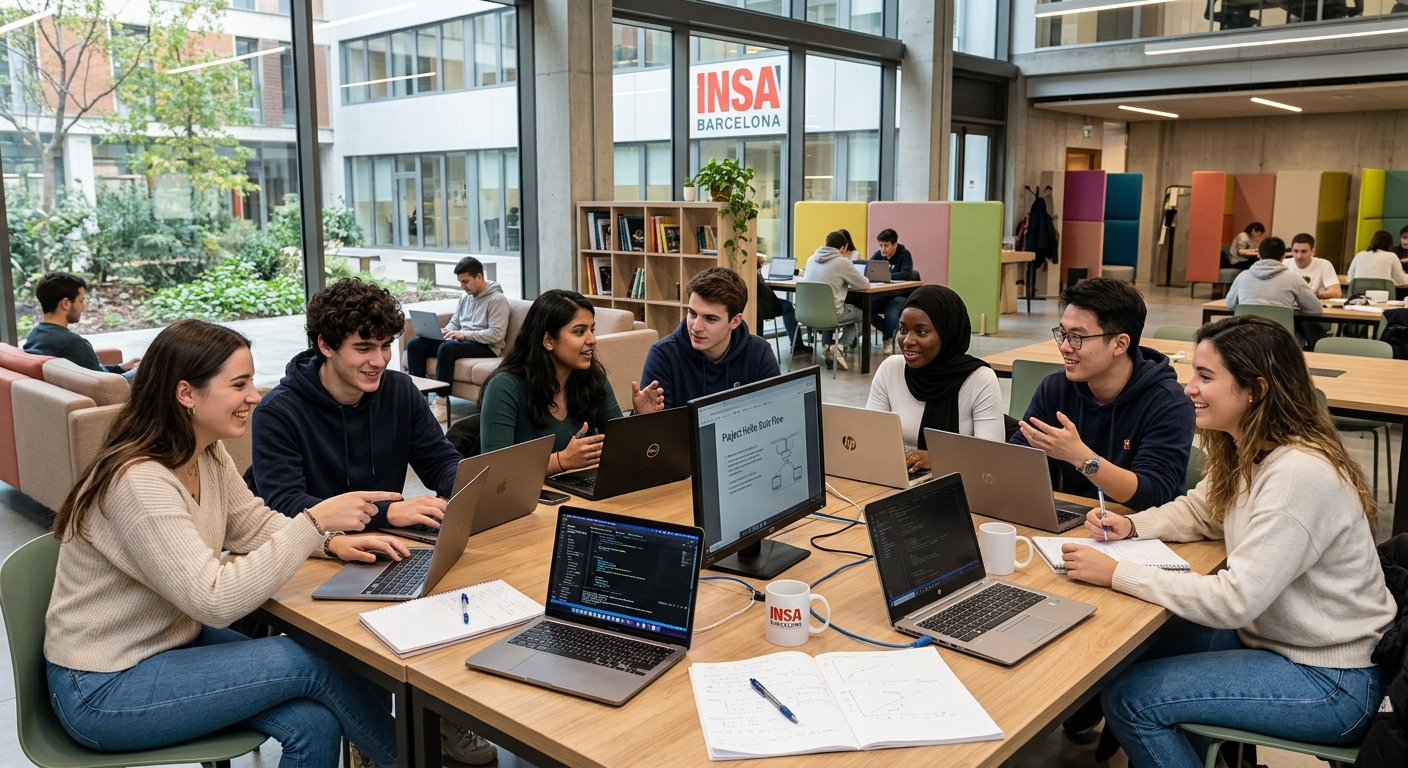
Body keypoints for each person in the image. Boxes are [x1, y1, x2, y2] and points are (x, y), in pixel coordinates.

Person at [44, 318, 411, 768]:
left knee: (314, 723)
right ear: (186, 394)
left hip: (169, 645)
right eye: (239, 384)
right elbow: (213, 601)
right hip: (102, 686)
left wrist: (330, 542)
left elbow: (251, 524)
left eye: (252, 380)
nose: (255, 396)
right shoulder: (140, 483)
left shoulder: (205, 450)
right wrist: (313, 523)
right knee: (311, 659)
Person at [1059, 315, 1394, 768]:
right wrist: (1134, 527)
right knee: (1134, 649)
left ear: (1255, 390)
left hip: (1331, 679)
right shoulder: (1252, 446)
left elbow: (1236, 600)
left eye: (1205, 376)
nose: (1188, 388)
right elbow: (1203, 510)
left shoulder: (1298, 474)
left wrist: (1120, 573)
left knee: (1131, 699)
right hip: (1281, 644)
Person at [245, 279, 497, 764]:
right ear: (324, 345)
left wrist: (471, 487)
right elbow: (283, 503)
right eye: (363, 348)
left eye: (385, 346)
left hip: (387, 549)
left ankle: (439, 715)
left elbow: (439, 462)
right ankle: (373, 733)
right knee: (367, 645)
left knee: (464, 592)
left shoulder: (400, 391)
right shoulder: (280, 411)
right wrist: (387, 512)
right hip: (310, 561)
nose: (379, 360)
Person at [1011, 277, 1194, 511]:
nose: (1065, 346)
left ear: (1120, 344)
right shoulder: (1055, 388)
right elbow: (1018, 460)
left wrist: (1083, 458)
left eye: (1077, 337)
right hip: (1077, 519)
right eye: (1063, 333)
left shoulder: (1168, 403)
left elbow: (1154, 494)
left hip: (1141, 530)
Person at [479, 290, 663, 475]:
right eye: (579, 332)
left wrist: (639, 418)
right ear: (548, 340)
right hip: (530, 501)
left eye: (592, 330)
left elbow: (620, 447)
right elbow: (495, 470)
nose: (592, 340)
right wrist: (561, 461)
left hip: (581, 494)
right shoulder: (504, 387)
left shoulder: (592, 378)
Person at [866, 286, 1003, 474]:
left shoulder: (979, 379)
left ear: (947, 333)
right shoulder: (891, 369)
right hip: (897, 479)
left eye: (921, 332)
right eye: (903, 330)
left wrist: (936, 457)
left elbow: (991, 458)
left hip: (962, 486)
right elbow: (870, 440)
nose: (907, 340)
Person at [641, 267, 779, 410]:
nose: (696, 327)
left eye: (710, 319)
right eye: (692, 314)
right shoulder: (663, 355)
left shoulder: (759, 352)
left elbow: (776, 414)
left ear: (735, 321)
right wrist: (642, 417)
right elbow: (656, 426)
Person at [404, 257, 510, 383]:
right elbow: (455, 321)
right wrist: (446, 331)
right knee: (415, 344)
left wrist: (464, 335)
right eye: (460, 282)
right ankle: (418, 395)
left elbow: (496, 334)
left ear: (479, 277)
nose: (462, 286)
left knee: (447, 348)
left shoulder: (497, 300)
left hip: (487, 346)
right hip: (464, 342)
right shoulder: (465, 298)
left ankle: (441, 398)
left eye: (465, 281)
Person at [24, 272, 140, 377]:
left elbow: (94, 371)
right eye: (81, 301)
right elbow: (105, 385)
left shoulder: (35, 335)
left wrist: (120, 368)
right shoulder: (72, 343)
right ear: (65, 303)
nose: (84, 307)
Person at [801, 229, 870, 370]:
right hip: (832, 314)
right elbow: (864, 284)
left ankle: (827, 347)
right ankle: (839, 347)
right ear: (843, 248)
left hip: (807, 315)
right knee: (863, 315)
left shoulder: (810, 259)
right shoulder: (843, 262)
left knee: (828, 305)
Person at [1225, 235, 1322, 315]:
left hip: (1246, 335)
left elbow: (1230, 305)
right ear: (1283, 256)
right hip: (1279, 335)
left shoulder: (1242, 277)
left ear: (1258, 254)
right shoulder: (1294, 279)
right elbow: (1315, 309)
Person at [869, 229, 921, 356]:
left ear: (895, 245)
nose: (883, 249)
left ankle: (888, 339)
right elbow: (869, 271)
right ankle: (890, 333)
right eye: (881, 245)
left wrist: (885, 276)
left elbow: (906, 273)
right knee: (866, 308)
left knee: (891, 313)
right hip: (883, 294)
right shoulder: (878, 255)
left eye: (886, 245)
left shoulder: (904, 254)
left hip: (901, 295)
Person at [1347, 229, 1408, 297]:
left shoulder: (1359, 255)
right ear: (1389, 244)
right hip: (1384, 297)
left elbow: (1350, 278)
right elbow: (1402, 281)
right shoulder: (1391, 256)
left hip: (1359, 297)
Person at [1282, 233, 1341, 300]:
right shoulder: (1283, 264)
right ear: (1292, 251)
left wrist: (1314, 294)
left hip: (1315, 307)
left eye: (1304, 252)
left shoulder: (1324, 264)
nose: (1299, 256)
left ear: (1312, 251)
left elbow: (1336, 292)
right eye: (1296, 251)